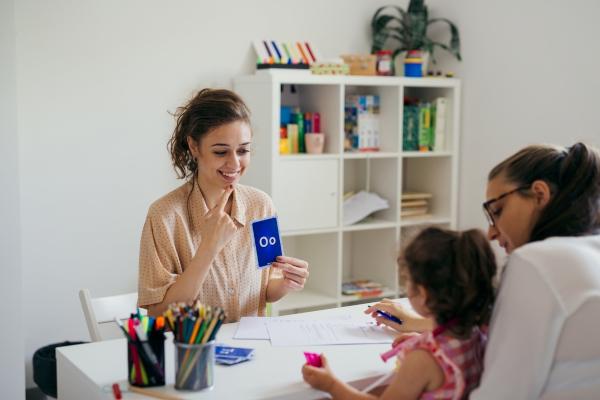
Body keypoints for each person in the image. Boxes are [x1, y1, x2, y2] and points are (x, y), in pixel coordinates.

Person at [368, 143, 600, 399]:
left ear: (539, 195)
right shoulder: (587, 251)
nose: (491, 232)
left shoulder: (536, 263)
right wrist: (423, 328)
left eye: (497, 211)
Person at [137, 88, 309, 321]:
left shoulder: (261, 205)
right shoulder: (164, 215)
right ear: (194, 147)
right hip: (192, 351)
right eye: (221, 152)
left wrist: (286, 283)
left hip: (252, 347)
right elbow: (159, 313)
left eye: (243, 150)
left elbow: (267, 288)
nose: (235, 163)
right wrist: (208, 247)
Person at [302, 227, 497, 400]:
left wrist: (331, 385)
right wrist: (422, 340)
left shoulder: (422, 360)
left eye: (407, 280)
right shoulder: (476, 333)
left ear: (423, 293)